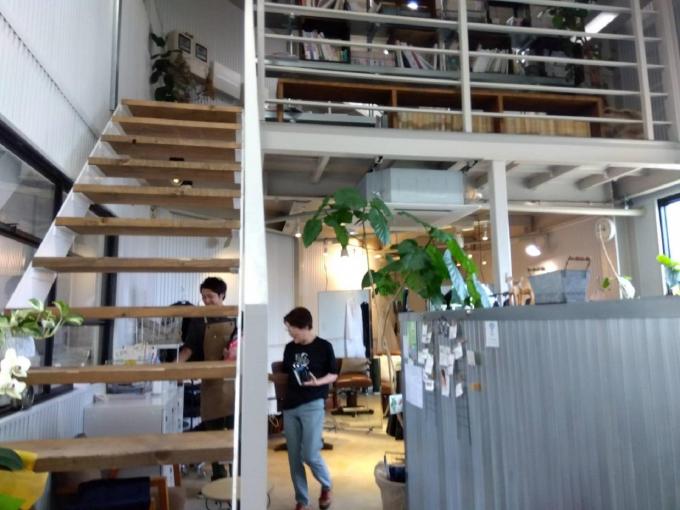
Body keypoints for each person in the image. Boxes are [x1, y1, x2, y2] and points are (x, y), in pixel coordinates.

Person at [179, 277, 237, 480]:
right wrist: (174, 367)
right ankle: (218, 477)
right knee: (213, 435)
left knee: (235, 435)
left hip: (233, 383)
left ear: (222, 295)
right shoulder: (199, 319)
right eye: (203, 297)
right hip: (211, 383)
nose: (206, 301)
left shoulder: (236, 316)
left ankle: (237, 480)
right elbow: (189, 348)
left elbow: (242, 343)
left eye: (210, 296)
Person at [282, 307, 337, 510]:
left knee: (310, 454)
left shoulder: (324, 347)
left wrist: (317, 382)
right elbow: (287, 374)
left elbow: (333, 374)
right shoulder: (289, 348)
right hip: (290, 406)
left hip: (313, 404)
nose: (290, 333)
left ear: (305, 326)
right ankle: (302, 500)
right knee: (294, 458)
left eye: (292, 329)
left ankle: (327, 484)